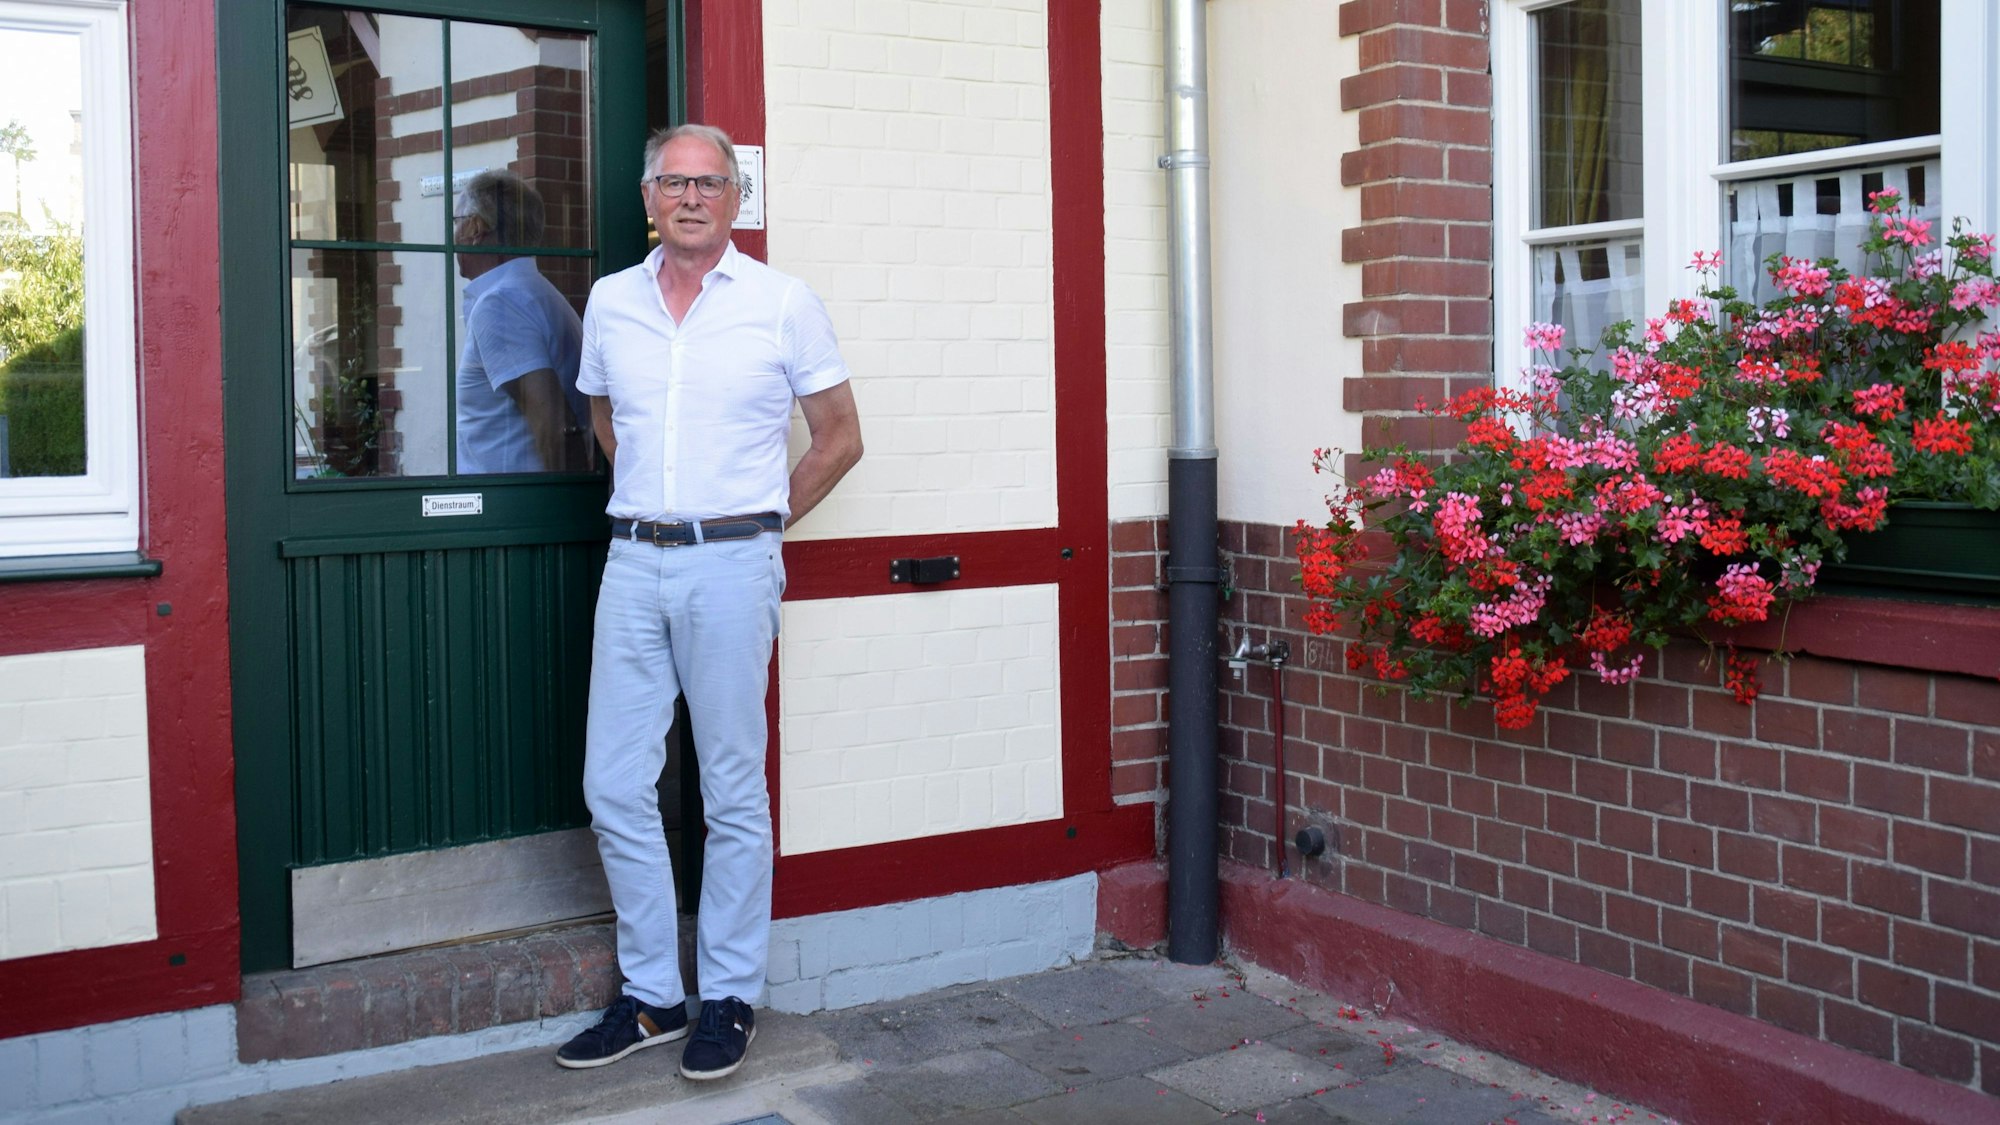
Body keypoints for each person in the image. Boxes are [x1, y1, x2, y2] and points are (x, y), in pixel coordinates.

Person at [555, 124, 862, 1080]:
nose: (691, 197)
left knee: (730, 786)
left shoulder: (781, 303)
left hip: (733, 562)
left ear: (737, 199)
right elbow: (608, 422)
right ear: (648, 198)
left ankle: (729, 992)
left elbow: (840, 437)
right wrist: (660, 507)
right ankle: (652, 995)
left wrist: (761, 525)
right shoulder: (610, 303)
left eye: (711, 182)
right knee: (614, 781)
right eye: (673, 182)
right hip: (633, 559)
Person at [453, 169, 589, 474]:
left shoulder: (500, 304)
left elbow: (554, 425)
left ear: (475, 228)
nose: (453, 234)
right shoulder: (536, 293)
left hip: (512, 509)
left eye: (457, 222)